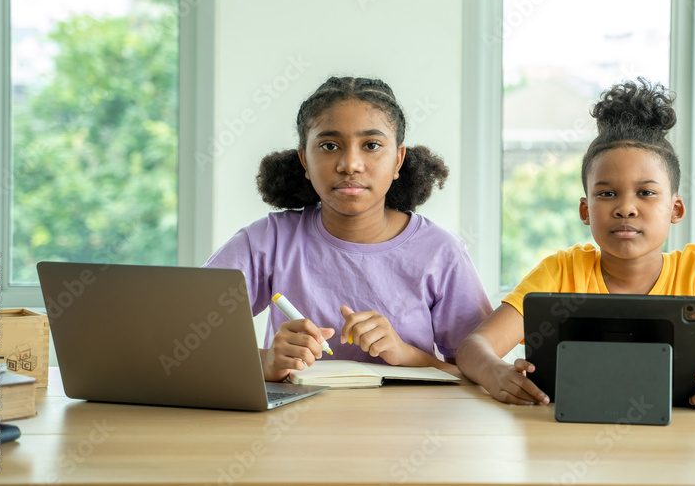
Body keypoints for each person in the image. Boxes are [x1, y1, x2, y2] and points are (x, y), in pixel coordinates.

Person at [456, 78, 695, 411]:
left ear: (675, 208)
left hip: (688, 447)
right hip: (569, 440)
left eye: (646, 193)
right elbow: (474, 346)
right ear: (585, 210)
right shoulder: (561, 271)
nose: (625, 207)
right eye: (606, 194)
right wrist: (495, 373)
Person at [205, 76, 492, 382]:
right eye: (329, 146)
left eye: (371, 145)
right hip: (292, 427)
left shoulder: (441, 253)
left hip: (405, 427)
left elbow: (479, 379)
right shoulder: (266, 242)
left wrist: (407, 354)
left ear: (398, 159)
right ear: (304, 159)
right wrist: (263, 361)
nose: (350, 164)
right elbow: (182, 341)